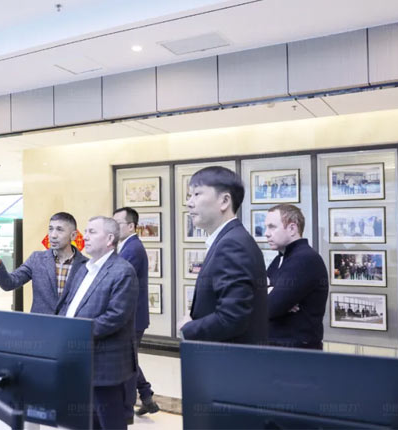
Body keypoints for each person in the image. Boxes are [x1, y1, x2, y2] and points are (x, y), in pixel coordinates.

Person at [57, 216, 138, 430]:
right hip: (79, 358)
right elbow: (69, 304)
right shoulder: (83, 268)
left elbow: (115, 316)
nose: (85, 236)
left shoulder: (123, 271)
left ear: (110, 238)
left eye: (92, 232)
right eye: (85, 231)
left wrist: (76, 332)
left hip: (105, 362)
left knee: (110, 422)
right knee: (86, 421)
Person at [179, 166, 268, 343]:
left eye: (197, 194)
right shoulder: (230, 239)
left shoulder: (232, 244)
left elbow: (232, 317)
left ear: (225, 201)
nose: (189, 203)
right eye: (190, 195)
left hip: (228, 356)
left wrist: (188, 328)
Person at [0, 212, 87, 314]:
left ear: (73, 235)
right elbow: (9, 283)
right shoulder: (37, 259)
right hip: (40, 327)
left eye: (59, 230)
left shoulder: (87, 266)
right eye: (51, 229)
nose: (53, 235)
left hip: (71, 328)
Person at [113, 207, 159, 421]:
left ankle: (128, 405)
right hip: (132, 316)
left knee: (127, 360)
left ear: (131, 226)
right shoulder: (127, 246)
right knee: (129, 358)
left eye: (118, 224)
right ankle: (147, 397)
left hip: (132, 317)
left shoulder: (133, 249)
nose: (113, 228)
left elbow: (117, 279)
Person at [264, 204, 328, 349]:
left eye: (272, 227)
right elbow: (258, 294)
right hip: (279, 349)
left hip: (297, 353)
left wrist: (270, 294)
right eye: (266, 227)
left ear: (292, 229)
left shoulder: (304, 259)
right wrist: (269, 292)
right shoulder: (280, 258)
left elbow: (269, 307)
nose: (266, 233)